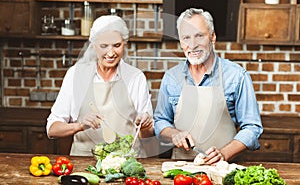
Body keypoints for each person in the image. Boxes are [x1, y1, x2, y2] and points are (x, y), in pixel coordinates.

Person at [154, 8, 263, 164]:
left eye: (199, 35)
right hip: (182, 171)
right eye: (186, 37)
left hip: (225, 169)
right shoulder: (171, 77)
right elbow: (160, 121)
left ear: (212, 37)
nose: (192, 45)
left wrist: (224, 154)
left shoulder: (237, 76)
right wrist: (173, 134)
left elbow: (252, 128)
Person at [46, 15, 154, 157]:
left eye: (117, 45)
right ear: (94, 45)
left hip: (127, 163)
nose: (111, 53)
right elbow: (52, 129)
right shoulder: (76, 75)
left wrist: (145, 125)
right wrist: (79, 126)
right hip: (84, 163)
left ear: (124, 43)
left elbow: (147, 135)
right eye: (104, 46)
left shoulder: (135, 77)